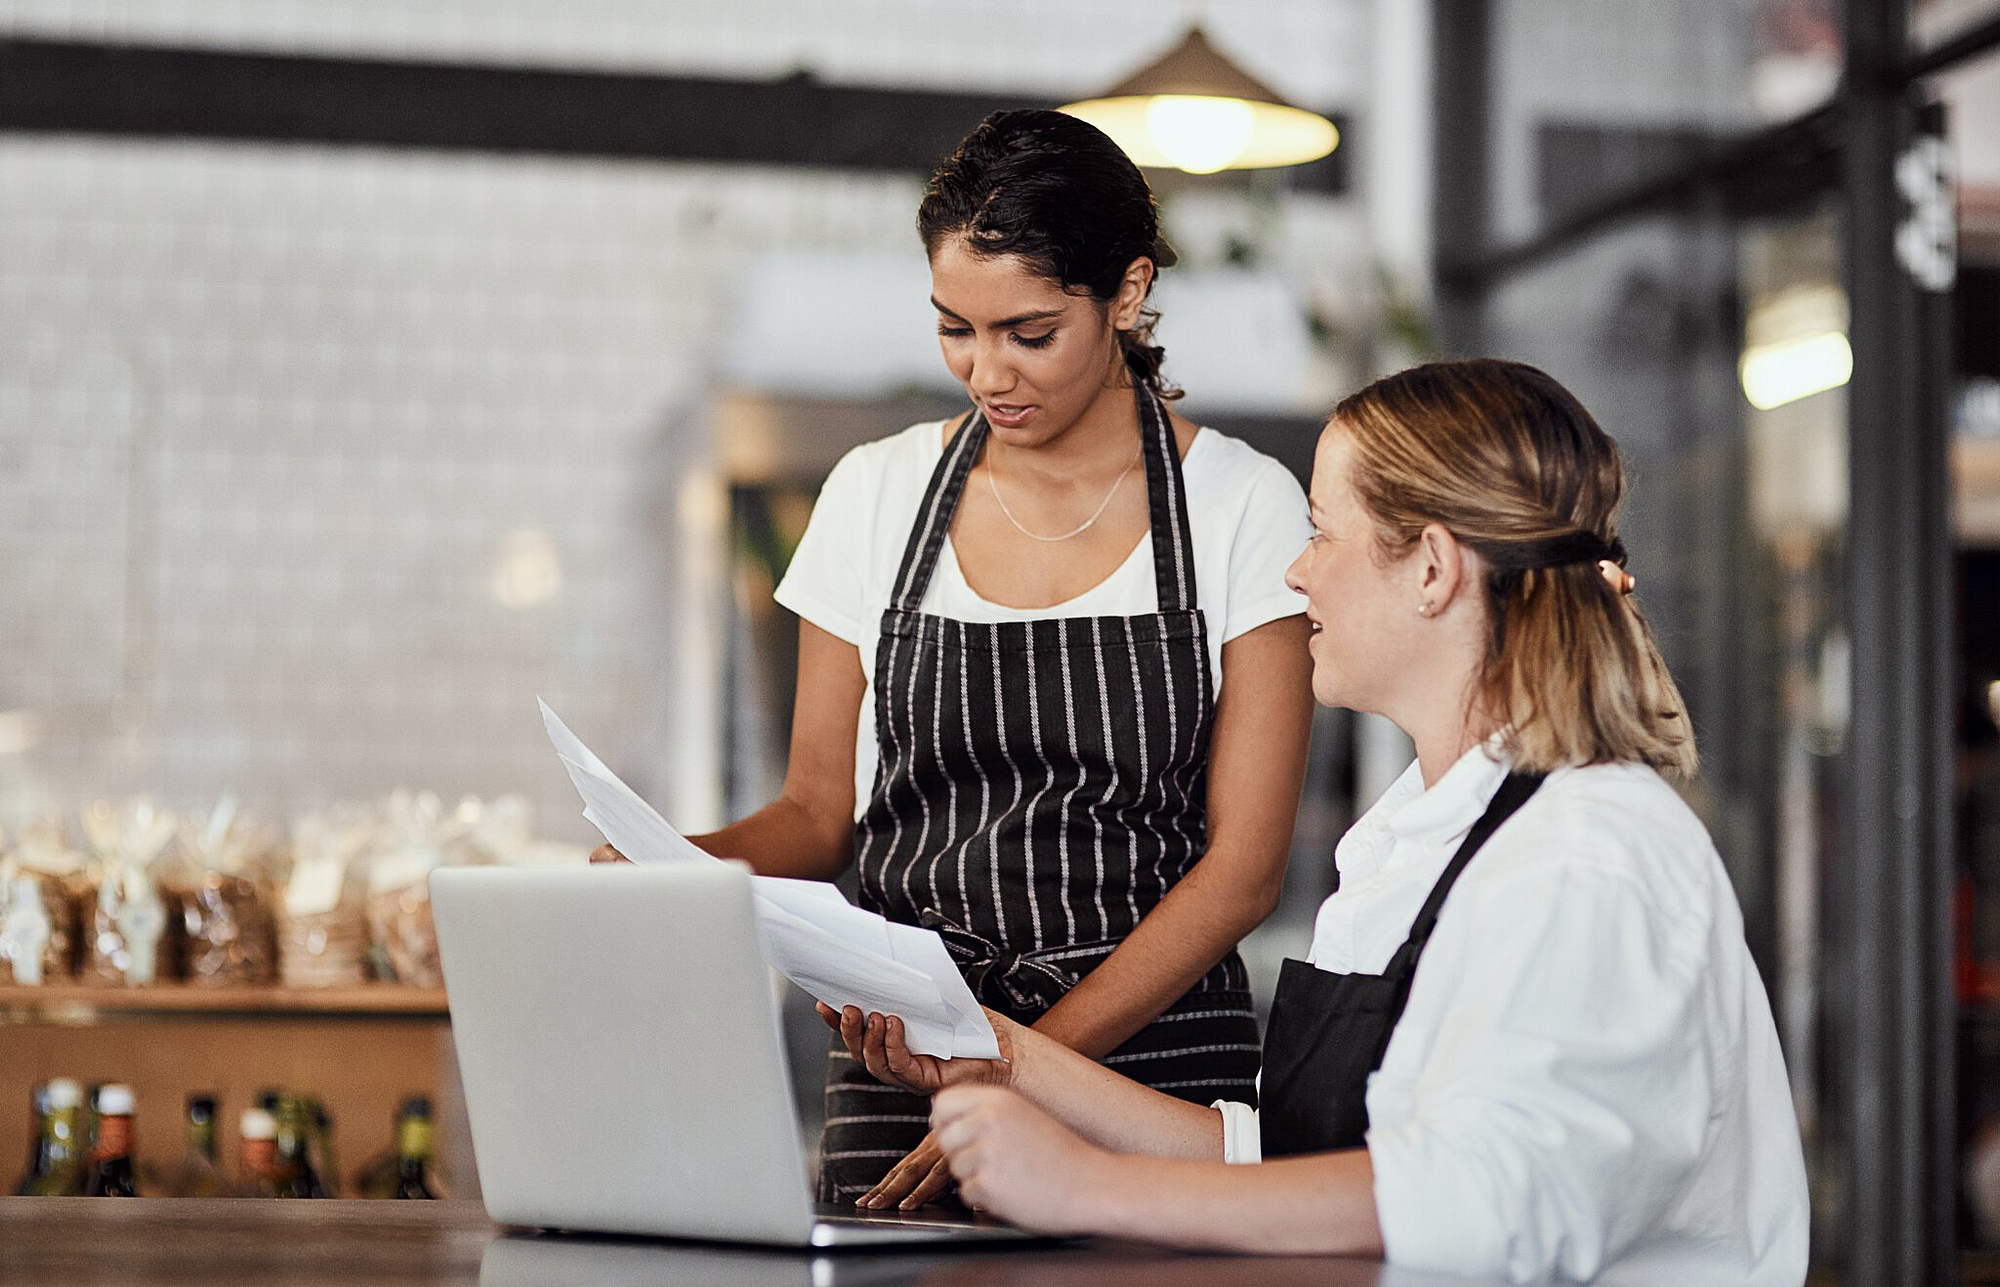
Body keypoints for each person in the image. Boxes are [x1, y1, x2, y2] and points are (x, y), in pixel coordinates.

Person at [824, 359, 1811, 1283]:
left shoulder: (1583, 855)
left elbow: (1492, 1200)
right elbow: (1306, 1161)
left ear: (1430, 569)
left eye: (1320, 532)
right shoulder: (1416, 841)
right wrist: (1003, 1055)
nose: (1295, 574)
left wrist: (1088, 1186)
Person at [599, 109, 1316, 1207]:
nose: (987, 373)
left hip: (1143, 1083)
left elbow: (1242, 872)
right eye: (954, 330)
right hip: (905, 1066)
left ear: (1124, 294)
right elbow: (813, 814)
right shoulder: (876, 492)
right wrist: (672, 868)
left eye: (1028, 333)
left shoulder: (1238, 506)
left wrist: (1024, 1066)